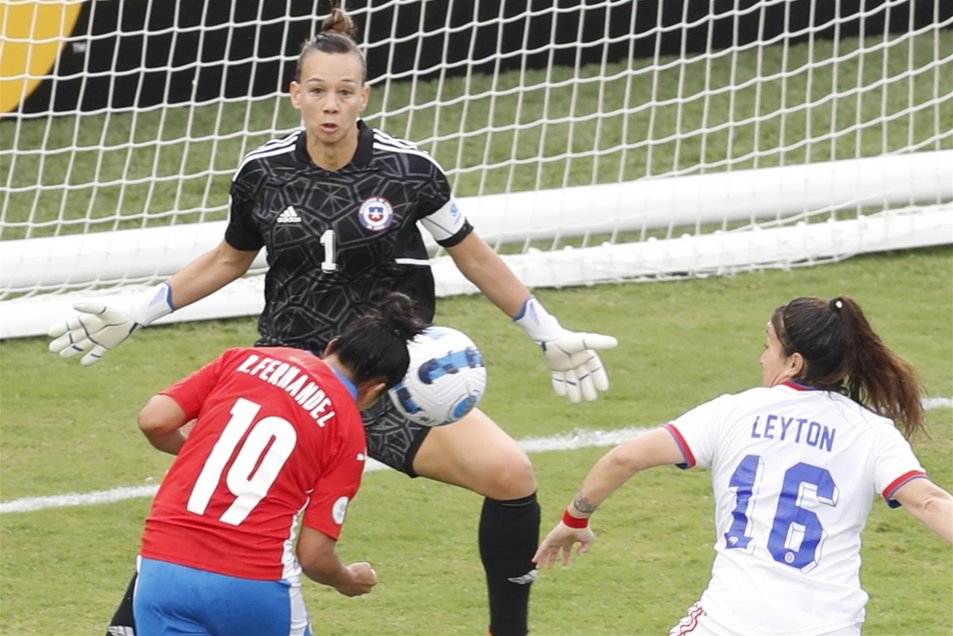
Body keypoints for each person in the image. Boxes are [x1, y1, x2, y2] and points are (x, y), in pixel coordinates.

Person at [47, 7, 618, 636]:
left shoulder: (409, 171)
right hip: (288, 381)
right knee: (221, 503)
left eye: (345, 92)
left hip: (386, 381)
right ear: (295, 94)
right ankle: (128, 626)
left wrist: (547, 331)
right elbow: (229, 259)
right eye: (318, 90)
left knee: (510, 476)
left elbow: (475, 256)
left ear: (364, 97)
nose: (331, 104)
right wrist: (139, 311)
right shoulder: (263, 173)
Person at [533, 296, 953, 636]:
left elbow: (625, 457)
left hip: (730, 622)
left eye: (768, 346)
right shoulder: (872, 432)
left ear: (794, 362)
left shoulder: (732, 412)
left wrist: (575, 518)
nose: (762, 358)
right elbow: (929, 502)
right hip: (830, 626)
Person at [132, 292, 425, 635]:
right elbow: (314, 557)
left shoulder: (244, 359)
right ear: (375, 389)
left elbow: (154, 421)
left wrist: (204, 453)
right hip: (253, 581)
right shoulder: (347, 431)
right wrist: (346, 579)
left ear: (331, 346)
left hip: (161, 569)